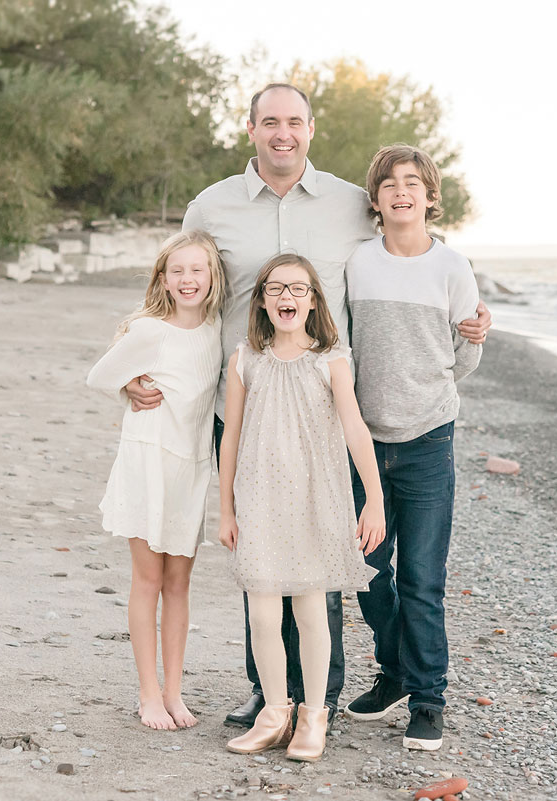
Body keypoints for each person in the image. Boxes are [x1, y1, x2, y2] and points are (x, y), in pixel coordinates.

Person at [124, 83, 493, 729]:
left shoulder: (355, 203)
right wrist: (134, 364)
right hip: (243, 403)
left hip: (326, 409)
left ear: (311, 128)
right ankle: (268, 691)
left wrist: (469, 324)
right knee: (258, 547)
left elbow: (411, 258)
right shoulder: (211, 205)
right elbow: (176, 291)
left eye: (294, 121)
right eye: (270, 122)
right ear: (251, 130)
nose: (282, 133)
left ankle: (318, 694)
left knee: (323, 552)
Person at [342, 144, 484, 752]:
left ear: (430, 196)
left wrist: (425, 390)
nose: (402, 193)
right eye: (390, 185)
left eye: (413, 183)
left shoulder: (452, 267)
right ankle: (394, 669)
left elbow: (465, 354)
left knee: (422, 578)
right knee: (367, 573)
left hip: (428, 438)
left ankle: (428, 697)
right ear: (375, 200)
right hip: (362, 442)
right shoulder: (356, 263)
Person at [218, 253, 385, 762]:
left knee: (313, 612)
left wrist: (373, 499)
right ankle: (274, 711)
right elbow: (232, 438)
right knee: (264, 615)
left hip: (317, 499)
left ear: (313, 300)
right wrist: (225, 507)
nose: (286, 297)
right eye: (276, 289)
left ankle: (314, 715)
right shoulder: (245, 358)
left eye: (297, 289)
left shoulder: (331, 358)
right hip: (260, 500)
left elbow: (355, 429)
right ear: (263, 299)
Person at [86, 230, 224, 730]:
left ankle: (174, 692)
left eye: (197, 270)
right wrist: (128, 384)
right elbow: (97, 376)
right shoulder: (149, 330)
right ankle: (147, 694)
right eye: (178, 271)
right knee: (148, 580)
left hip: (189, 469)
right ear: (162, 279)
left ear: (213, 276)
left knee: (179, 584)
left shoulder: (216, 330)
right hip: (146, 463)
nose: (188, 280)